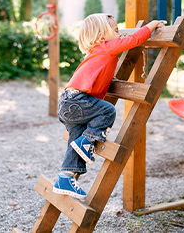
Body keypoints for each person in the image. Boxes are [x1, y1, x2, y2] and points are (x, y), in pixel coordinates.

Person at [53, 13, 166, 199]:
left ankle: (65, 177)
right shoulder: (106, 47)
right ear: (101, 36)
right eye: (115, 30)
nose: (120, 32)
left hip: (68, 103)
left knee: (74, 140)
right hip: (78, 101)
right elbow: (134, 39)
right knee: (107, 110)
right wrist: (152, 25)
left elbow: (96, 75)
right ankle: (86, 141)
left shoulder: (95, 52)